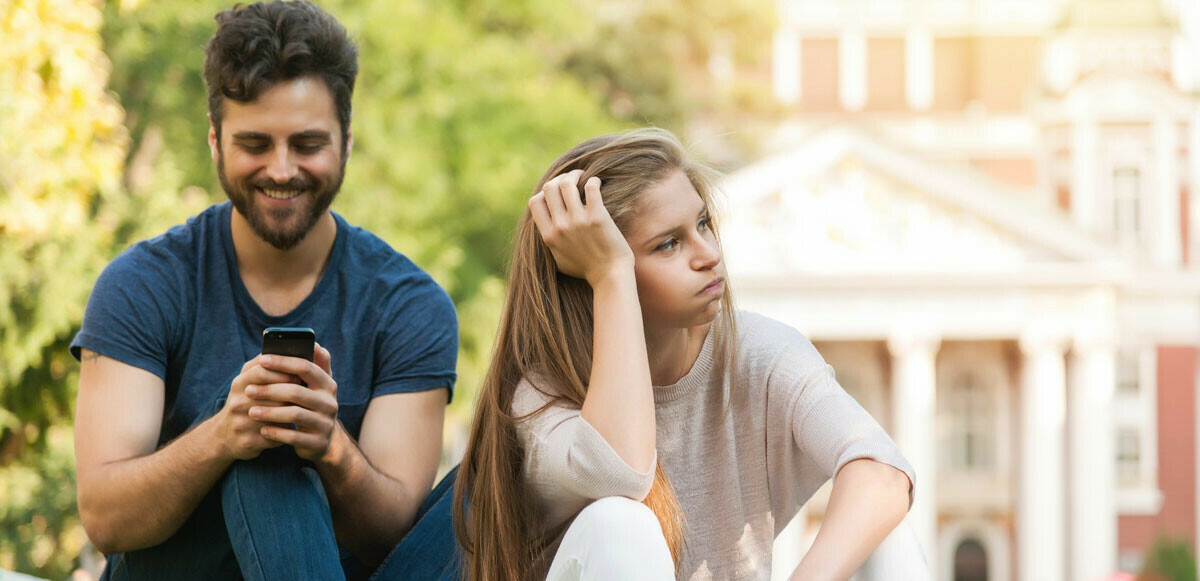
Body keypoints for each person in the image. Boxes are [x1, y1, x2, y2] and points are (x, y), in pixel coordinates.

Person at [70, 2, 460, 579]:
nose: (281, 170)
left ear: (346, 142)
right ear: (214, 142)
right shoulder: (143, 284)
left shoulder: (410, 305)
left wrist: (330, 447)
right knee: (263, 439)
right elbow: (105, 519)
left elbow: (394, 544)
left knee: (495, 470)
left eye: (307, 144)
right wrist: (225, 435)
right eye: (255, 143)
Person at [453, 128, 926, 580]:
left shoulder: (759, 353)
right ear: (589, 269)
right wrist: (611, 275)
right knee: (621, 523)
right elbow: (621, 471)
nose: (709, 254)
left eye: (703, 223)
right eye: (669, 244)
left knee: (897, 537)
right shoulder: (542, 396)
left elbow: (882, 472)